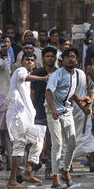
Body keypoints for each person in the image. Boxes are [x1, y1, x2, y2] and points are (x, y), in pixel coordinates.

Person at [45, 48, 88, 189]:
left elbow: (71, 91)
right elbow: (49, 92)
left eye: (73, 57)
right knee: (57, 144)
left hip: (67, 110)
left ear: (77, 60)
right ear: (62, 60)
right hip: (53, 111)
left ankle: (65, 171)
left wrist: (82, 102)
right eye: (67, 57)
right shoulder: (57, 74)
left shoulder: (76, 74)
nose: (70, 59)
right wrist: (53, 110)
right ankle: (55, 177)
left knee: (72, 143)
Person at [6, 53, 50, 188]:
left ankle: (28, 172)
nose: (29, 62)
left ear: (35, 64)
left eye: (32, 60)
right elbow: (24, 77)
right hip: (16, 115)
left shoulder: (28, 81)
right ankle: (12, 181)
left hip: (26, 116)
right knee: (19, 144)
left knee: (38, 139)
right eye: (27, 60)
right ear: (22, 62)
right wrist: (43, 78)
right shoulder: (21, 70)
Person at [30, 45, 58, 179]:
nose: (50, 58)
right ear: (43, 58)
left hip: (54, 112)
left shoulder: (59, 73)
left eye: (52, 56)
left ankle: (50, 169)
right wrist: (31, 110)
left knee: (52, 143)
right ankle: (33, 165)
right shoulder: (37, 73)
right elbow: (33, 93)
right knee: (35, 141)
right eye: (48, 56)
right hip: (39, 111)